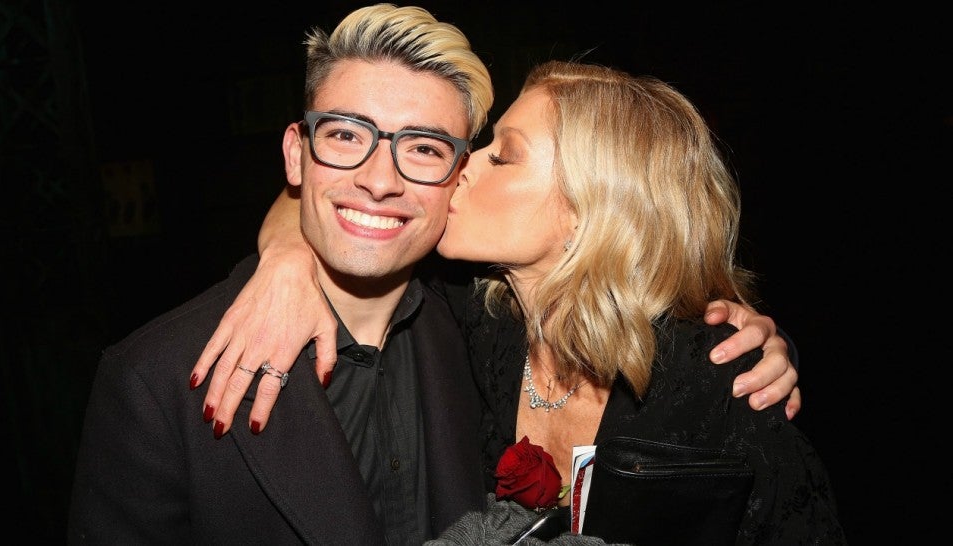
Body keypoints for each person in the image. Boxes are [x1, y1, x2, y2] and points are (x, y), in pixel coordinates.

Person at [70, 4, 798, 545]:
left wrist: (743, 341)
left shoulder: (477, 326)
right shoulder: (152, 382)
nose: (380, 178)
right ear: (296, 154)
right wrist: (283, 256)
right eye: (345, 135)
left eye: (424, 149)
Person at [420, 59, 846, 543]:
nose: (463, 164)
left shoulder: (713, 382)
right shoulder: (463, 316)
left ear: (590, 208)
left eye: (502, 157)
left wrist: (762, 347)